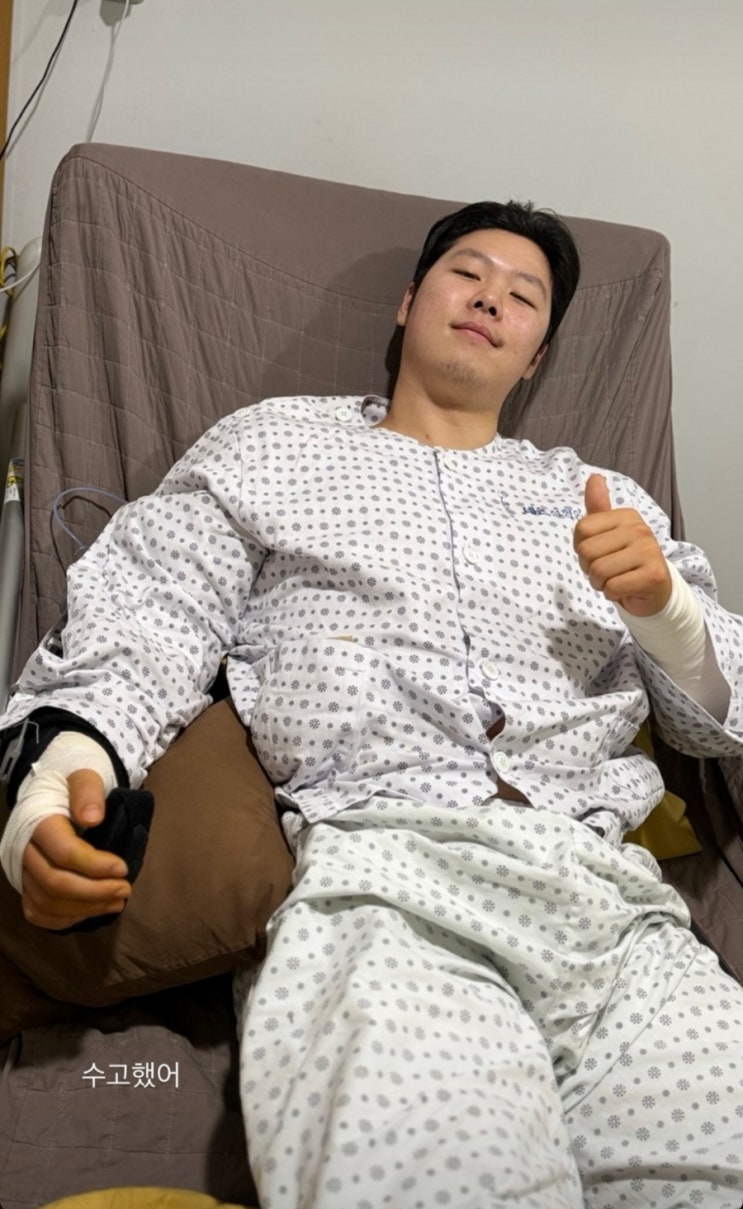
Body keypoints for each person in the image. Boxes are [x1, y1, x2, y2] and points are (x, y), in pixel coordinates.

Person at [1, 199, 743, 1208]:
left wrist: (663, 611)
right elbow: (152, 616)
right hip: (383, 884)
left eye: (523, 296)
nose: (490, 298)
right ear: (407, 303)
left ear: (535, 357)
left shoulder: (603, 501)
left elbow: (713, 721)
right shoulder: (271, 445)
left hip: (612, 912)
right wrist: (54, 786)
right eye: (466, 273)